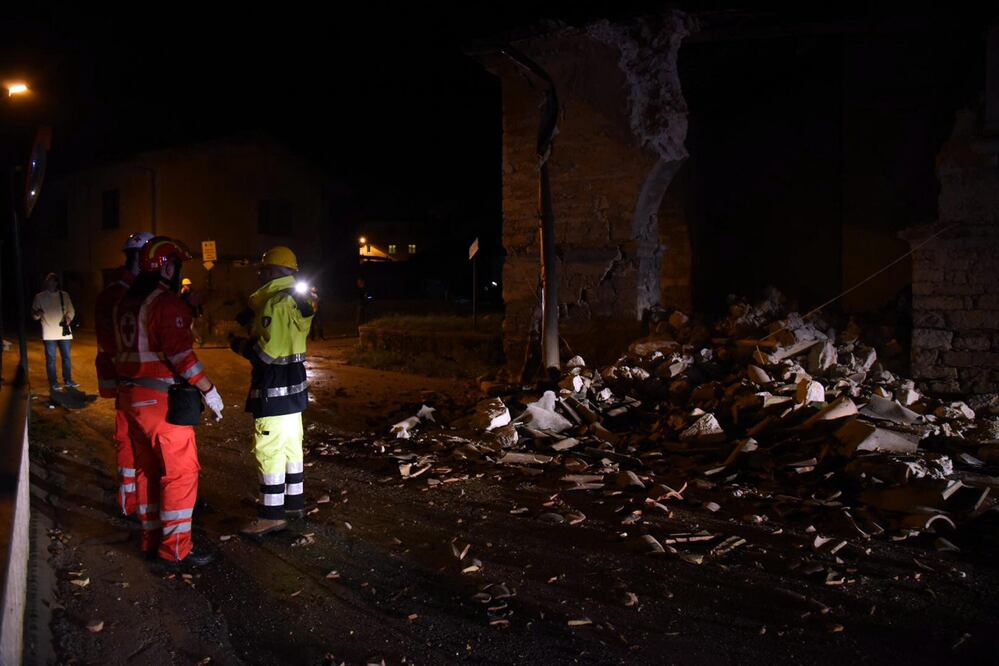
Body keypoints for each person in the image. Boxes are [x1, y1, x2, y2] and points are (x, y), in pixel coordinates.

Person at [114, 236, 224, 568]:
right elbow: (181, 355)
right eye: (177, 265)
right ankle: (175, 551)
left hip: (131, 399)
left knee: (147, 470)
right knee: (181, 474)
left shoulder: (129, 302)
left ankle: (150, 540)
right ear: (167, 266)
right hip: (160, 402)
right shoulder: (165, 302)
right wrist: (209, 389)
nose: (179, 272)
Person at [229, 245, 313, 537]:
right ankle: (293, 503)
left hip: (273, 387)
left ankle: (270, 514)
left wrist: (238, 345)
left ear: (275, 272)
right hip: (295, 386)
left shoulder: (274, 303)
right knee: (291, 447)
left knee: (269, 450)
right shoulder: (301, 299)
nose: (260, 275)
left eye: (264, 270)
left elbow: (267, 353)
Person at [95, 231, 153, 516]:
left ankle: (130, 500)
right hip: (131, 381)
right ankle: (133, 503)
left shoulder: (115, 289)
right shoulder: (126, 294)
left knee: (129, 441)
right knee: (132, 441)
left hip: (126, 379)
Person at [32, 272, 78, 392]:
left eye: (52, 280)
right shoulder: (39, 297)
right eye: (48, 280)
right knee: (51, 359)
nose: (50, 282)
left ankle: (68, 380)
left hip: (64, 332)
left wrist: (69, 317)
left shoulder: (64, 295)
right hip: (49, 333)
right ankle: (53, 382)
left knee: (67, 358)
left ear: (57, 282)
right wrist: (37, 314)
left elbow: (71, 311)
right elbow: (34, 315)